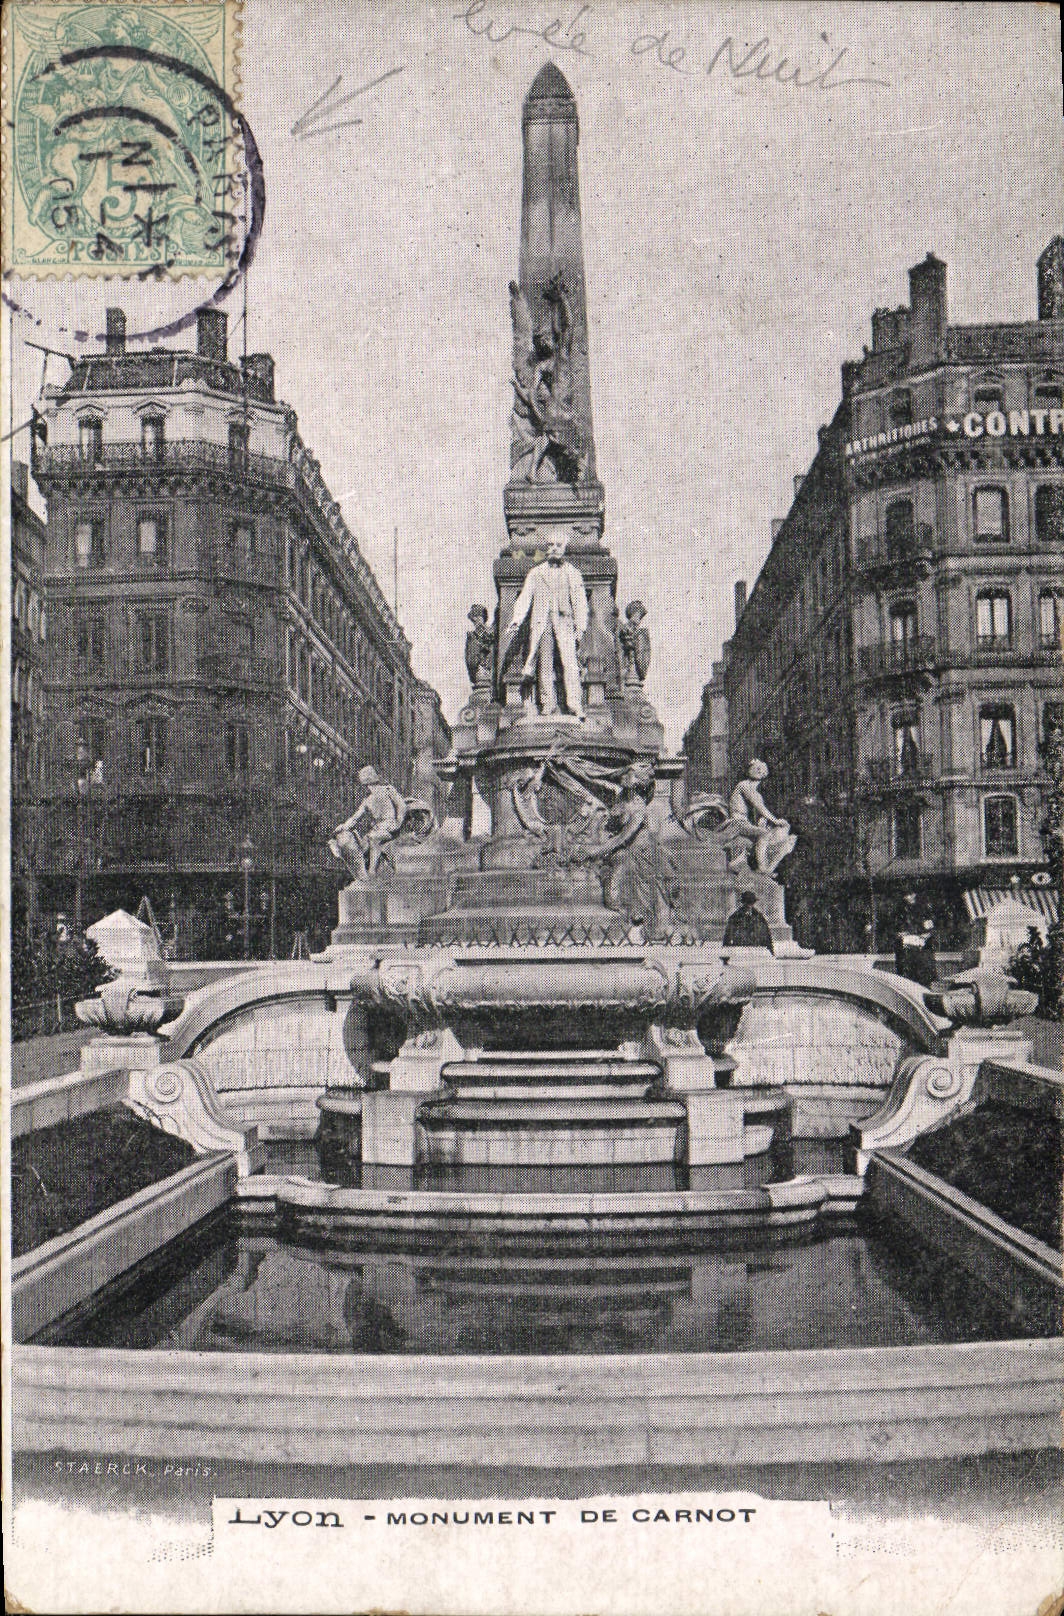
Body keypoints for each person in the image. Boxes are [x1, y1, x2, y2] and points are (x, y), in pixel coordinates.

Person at [502, 529, 589, 717]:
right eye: (551, 545)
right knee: (544, 663)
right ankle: (547, 702)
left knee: (570, 663)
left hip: (565, 622)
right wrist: (516, 620)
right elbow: (525, 598)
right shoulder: (536, 573)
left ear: (564, 548)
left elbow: (580, 602)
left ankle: (575, 703)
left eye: (559, 545)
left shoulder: (573, 573)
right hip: (543, 623)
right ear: (546, 548)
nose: (554, 549)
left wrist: (580, 627)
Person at [329, 766, 407, 879]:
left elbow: (402, 805)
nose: (368, 788)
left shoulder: (388, 790)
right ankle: (365, 874)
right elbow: (355, 818)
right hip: (378, 828)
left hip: (391, 827)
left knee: (373, 838)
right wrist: (344, 826)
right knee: (361, 846)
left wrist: (398, 821)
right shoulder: (368, 800)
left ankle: (372, 871)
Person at [725, 759, 796, 875]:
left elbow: (759, 810)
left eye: (760, 769)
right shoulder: (744, 785)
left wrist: (763, 820)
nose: (758, 770)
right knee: (764, 833)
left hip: (744, 823)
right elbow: (759, 807)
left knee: (770, 833)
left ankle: (767, 866)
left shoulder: (755, 791)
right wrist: (775, 820)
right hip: (737, 823)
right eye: (756, 768)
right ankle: (762, 868)